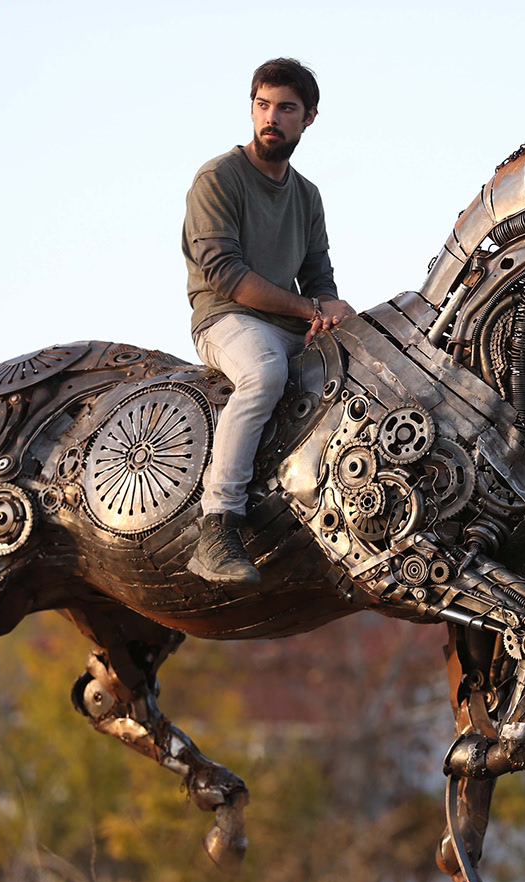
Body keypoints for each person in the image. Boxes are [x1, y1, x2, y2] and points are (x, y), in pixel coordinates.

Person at [183, 57, 356, 585]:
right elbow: (226, 275)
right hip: (226, 319)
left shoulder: (307, 196)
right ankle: (217, 526)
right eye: (263, 105)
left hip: (288, 326)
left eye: (286, 108)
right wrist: (309, 308)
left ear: (309, 118)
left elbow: (318, 275)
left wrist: (332, 309)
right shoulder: (218, 178)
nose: (271, 117)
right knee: (264, 373)